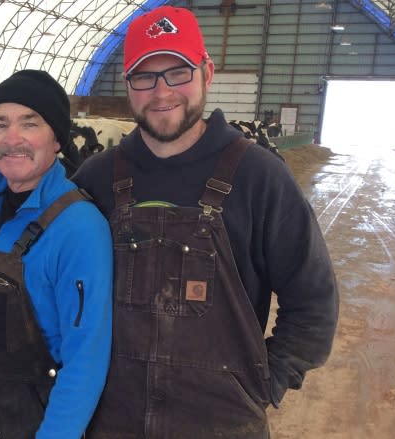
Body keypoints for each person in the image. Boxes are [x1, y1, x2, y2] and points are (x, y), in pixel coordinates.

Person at [72, 6, 339, 438]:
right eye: (145, 76)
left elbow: (314, 305)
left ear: (207, 72)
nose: (161, 92)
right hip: (110, 422)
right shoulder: (97, 178)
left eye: (177, 72)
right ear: (128, 85)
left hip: (222, 425)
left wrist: (264, 380)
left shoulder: (259, 177)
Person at [0, 70, 113, 438]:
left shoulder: (79, 228)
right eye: (0, 124)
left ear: (57, 138)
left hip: (32, 424)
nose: (12, 139)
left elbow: (85, 361)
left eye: (30, 123)